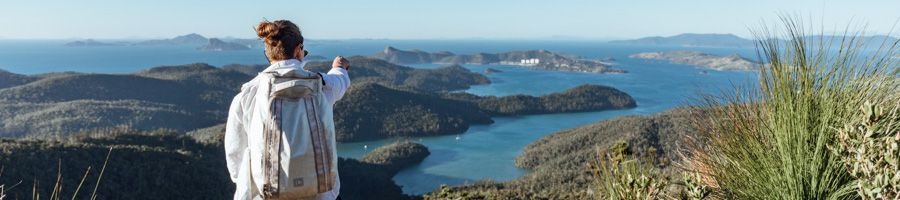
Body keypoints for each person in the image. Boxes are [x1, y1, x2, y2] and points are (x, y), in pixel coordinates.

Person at [225, 19, 351, 200]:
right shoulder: (320, 86)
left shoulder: (247, 97)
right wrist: (339, 67)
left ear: (269, 53)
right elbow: (340, 81)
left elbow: (235, 156)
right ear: (299, 50)